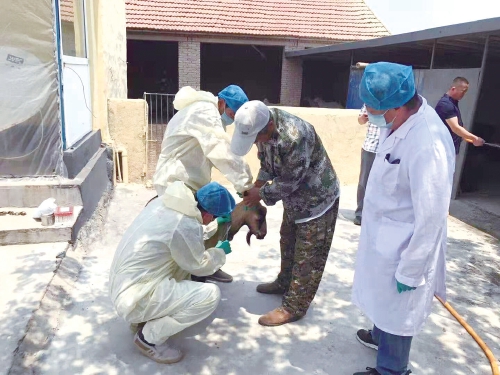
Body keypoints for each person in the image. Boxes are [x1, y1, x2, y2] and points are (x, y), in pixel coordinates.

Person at [351, 62, 455, 375]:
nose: (367, 112)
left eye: (371, 107)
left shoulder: (428, 143)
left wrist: (411, 270)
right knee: (380, 296)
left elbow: (432, 217)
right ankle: (380, 335)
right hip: (384, 235)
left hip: (405, 244)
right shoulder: (395, 121)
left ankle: (392, 369)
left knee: (399, 308)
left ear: (396, 106)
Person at [231, 100, 341, 326]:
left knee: (307, 255)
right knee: (288, 243)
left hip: (317, 201)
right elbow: (268, 164)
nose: (255, 144)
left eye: (256, 139)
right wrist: (257, 186)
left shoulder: (294, 136)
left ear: (269, 127)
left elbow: (290, 180)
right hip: (295, 202)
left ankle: (295, 306)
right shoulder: (261, 127)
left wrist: (259, 195)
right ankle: (284, 282)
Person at [109, 181, 235, 364]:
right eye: (213, 218)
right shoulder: (184, 224)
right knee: (210, 295)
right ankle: (148, 339)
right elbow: (198, 264)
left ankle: (143, 320)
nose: (212, 221)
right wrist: (219, 253)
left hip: (124, 285)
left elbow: (183, 237)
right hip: (136, 296)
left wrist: (211, 228)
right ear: (207, 214)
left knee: (178, 266)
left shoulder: (165, 202)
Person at [153, 85, 253, 283]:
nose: (231, 120)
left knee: (203, 225)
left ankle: (205, 267)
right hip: (176, 181)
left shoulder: (210, 114)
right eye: (231, 114)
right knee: (185, 229)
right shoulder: (204, 112)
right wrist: (245, 184)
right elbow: (222, 151)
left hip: (190, 180)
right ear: (222, 103)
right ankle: (187, 275)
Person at [435, 77, 485, 155]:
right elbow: (455, 128)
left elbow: (458, 128)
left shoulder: (452, 103)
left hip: (448, 150)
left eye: (466, 91)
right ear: (453, 89)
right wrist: (475, 138)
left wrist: (467, 137)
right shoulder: (446, 104)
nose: (464, 94)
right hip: (442, 151)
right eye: (463, 91)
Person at [354, 104, 381, 226]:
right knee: (363, 182)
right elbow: (360, 120)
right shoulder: (370, 101)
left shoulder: (392, 101)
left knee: (382, 183)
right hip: (369, 148)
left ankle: (375, 214)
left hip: (386, 149)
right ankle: (360, 213)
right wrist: (363, 118)